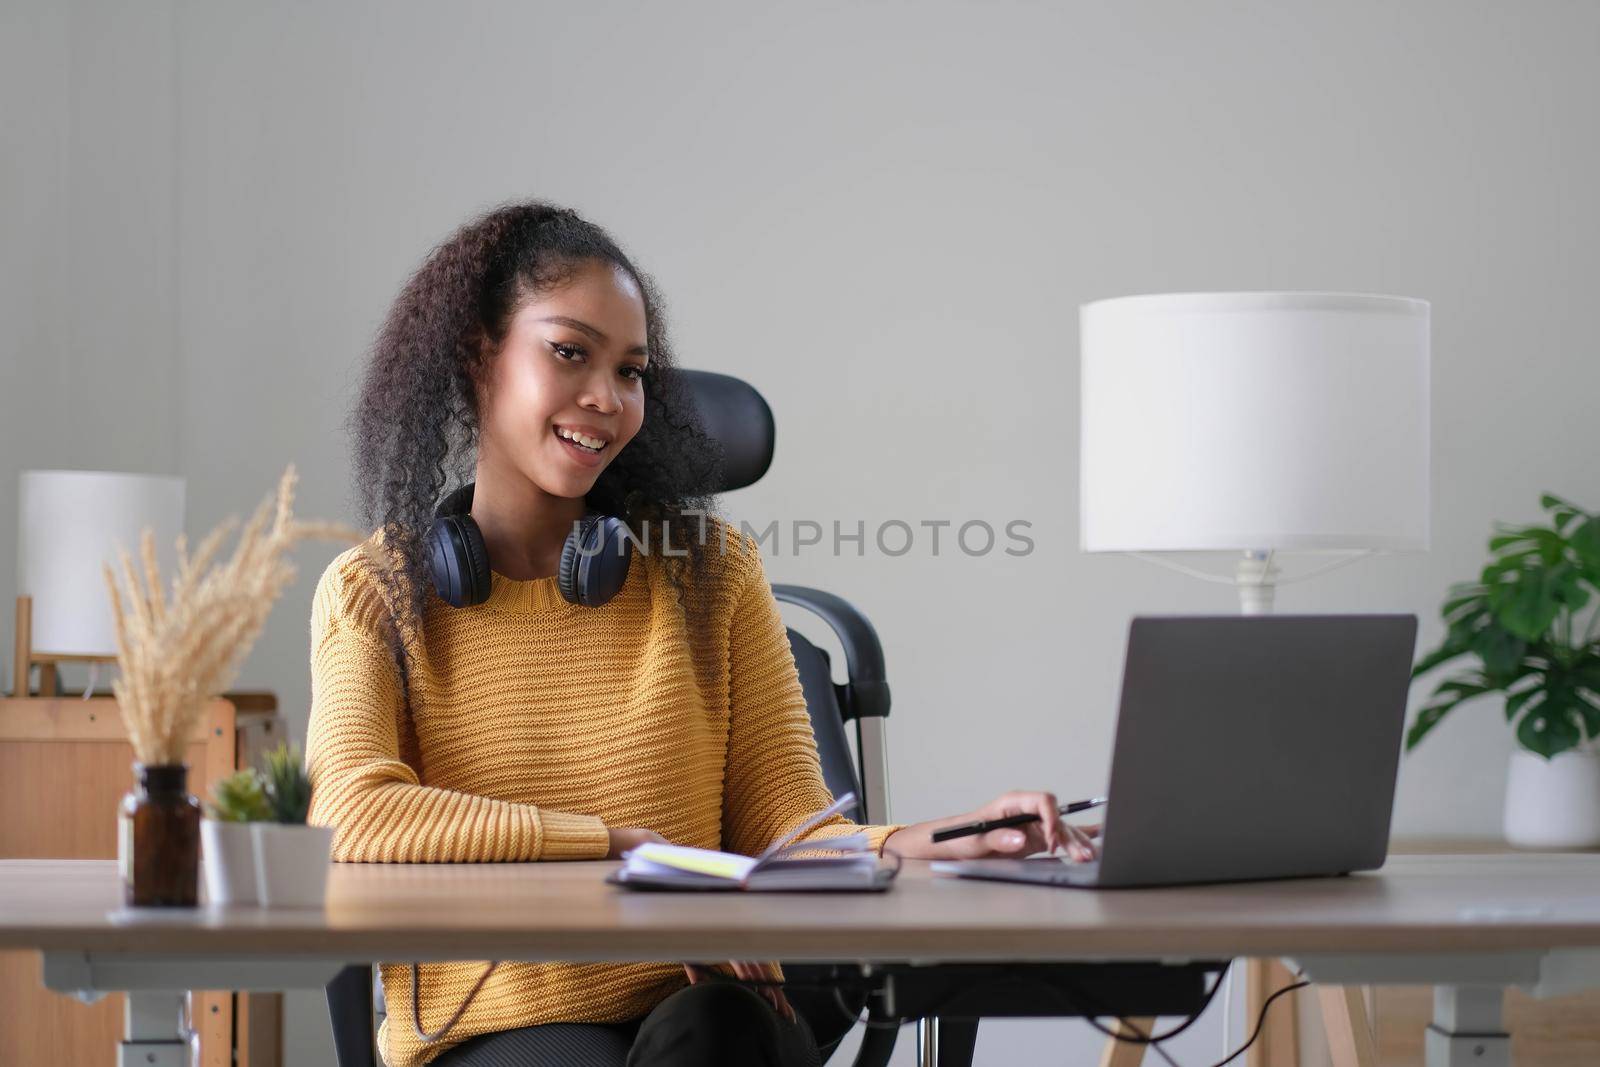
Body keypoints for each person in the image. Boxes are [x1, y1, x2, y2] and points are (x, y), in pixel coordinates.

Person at [306, 200, 1099, 1067]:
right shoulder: (376, 591)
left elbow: (789, 830)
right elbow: (350, 814)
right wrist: (610, 843)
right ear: (477, 356)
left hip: (707, 1007)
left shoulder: (709, 569)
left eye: (633, 371)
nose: (608, 398)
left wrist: (938, 842)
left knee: (715, 1033)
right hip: (494, 1026)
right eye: (570, 352)